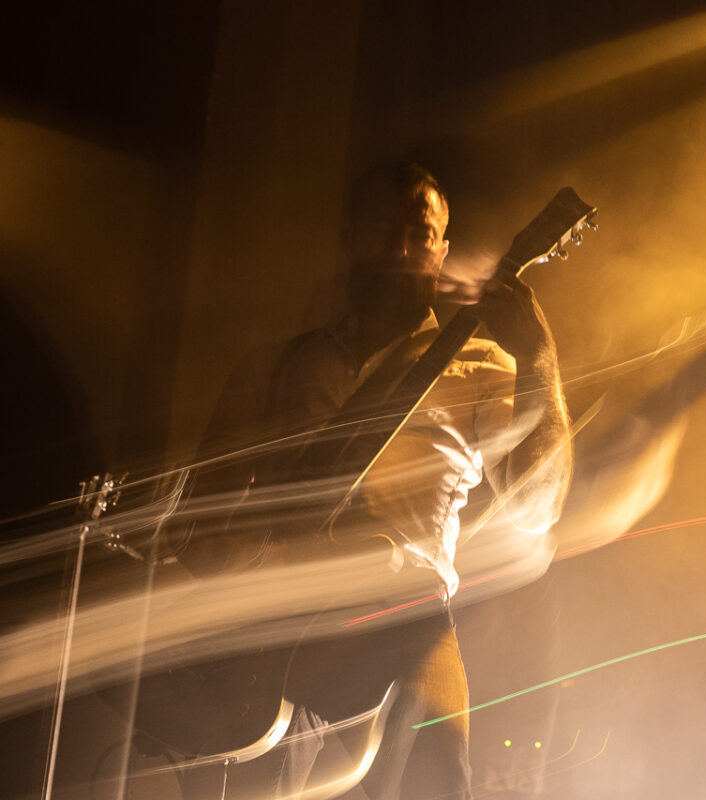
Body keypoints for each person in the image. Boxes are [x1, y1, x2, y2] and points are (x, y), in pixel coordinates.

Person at [191, 161, 573, 798]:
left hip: (405, 619)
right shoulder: (277, 366)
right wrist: (227, 558)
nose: (398, 249)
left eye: (419, 234)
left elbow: (539, 507)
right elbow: (200, 514)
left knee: (437, 786)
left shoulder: (483, 365)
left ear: (443, 251)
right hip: (271, 624)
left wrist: (539, 354)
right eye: (379, 228)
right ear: (349, 237)